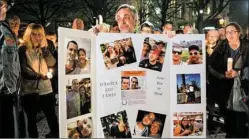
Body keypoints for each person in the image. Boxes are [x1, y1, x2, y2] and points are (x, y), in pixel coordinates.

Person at [209, 22, 249, 138]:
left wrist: (239, 73)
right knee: (228, 117)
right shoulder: (221, 47)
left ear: (239, 33)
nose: (230, 34)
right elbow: (211, 67)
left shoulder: (247, 47)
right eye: (228, 32)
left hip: (243, 88)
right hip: (225, 88)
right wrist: (223, 75)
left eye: (233, 31)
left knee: (241, 117)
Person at [18, 23, 59, 138]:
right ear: (28, 35)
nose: (37, 37)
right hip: (30, 90)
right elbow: (23, 69)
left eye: (40, 34)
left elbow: (52, 63)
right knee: (32, 119)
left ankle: (55, 134)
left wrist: (45, 50)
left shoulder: (45, 47)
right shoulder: (22, 49)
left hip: (46, 89)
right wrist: (39, 76)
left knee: (51, 116)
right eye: (34, 34)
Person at [0, 0, 21, 138]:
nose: (4, 9)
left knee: (9, 131)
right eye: (0, 6)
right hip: (2, 89)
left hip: (9, 90)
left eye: (4, 6)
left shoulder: (6, 29)